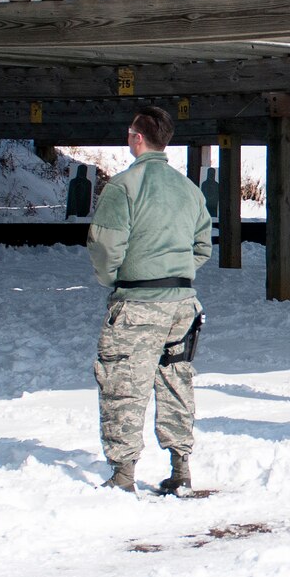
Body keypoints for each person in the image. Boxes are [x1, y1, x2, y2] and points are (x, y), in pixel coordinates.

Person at [88, 106, 213, 494]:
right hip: (182, 304)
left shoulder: (123, 186)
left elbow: (105, 246)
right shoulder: (189, 189)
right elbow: (203, 246)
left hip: (138, 302)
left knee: (123, 383)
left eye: (129, 133)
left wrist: (119, 279)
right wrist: (176, 271)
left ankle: (124, 473)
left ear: (137, 138)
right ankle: (181, 468)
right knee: (176, 381)